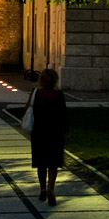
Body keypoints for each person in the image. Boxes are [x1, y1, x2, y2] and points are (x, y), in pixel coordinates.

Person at [25, 67, 68, 206]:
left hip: (39, 132)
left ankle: (42, 189)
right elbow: (64, 114)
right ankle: (51, 189)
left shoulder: (37, 93)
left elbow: (27, 108)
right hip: (55, 133)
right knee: (53, 164)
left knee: (41, 163)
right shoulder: (59, 95)